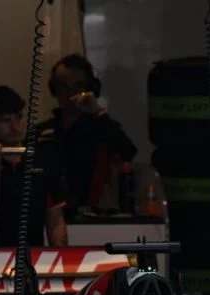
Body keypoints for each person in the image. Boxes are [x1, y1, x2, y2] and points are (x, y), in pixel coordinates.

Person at [0, 85, 68, 248]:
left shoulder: (41, 157)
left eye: (18, 117)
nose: (15, 126)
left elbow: (55, 219)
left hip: (31, 258)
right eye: (5, 120)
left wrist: (62, 261)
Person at [36, 53, 138, 214]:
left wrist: (97, 112)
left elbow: (128, 151)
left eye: (77, 86)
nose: (69, 93)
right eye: (63, 86)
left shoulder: (101, 127)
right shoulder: (43, 131)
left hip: (89, 215)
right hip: (48, 215)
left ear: (90, 89)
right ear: (54, 89)